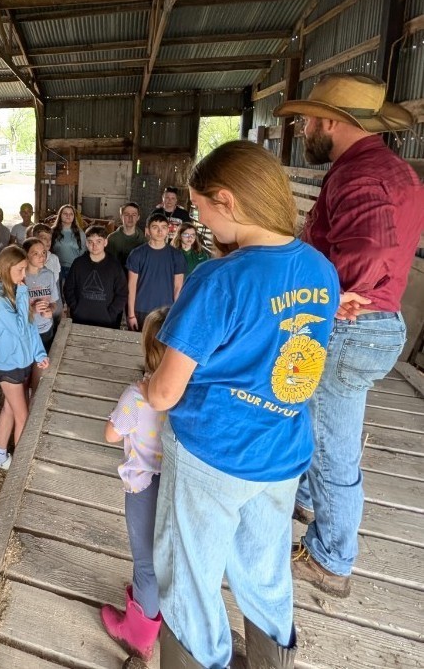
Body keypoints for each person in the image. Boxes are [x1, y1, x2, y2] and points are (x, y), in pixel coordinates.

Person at [141, 140, 339, 669]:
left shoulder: (219, 278)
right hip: (281, 450)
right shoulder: (321, 270)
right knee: (266, 569)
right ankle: (272, 660)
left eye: (201, 206)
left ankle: (201, 658)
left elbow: (165, 390)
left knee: (190, 577)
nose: (199, 219)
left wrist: (142, 389)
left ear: (226, 200)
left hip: (214, 450)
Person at [272, 72, 424, 598]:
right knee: (320, 426)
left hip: (349, 327)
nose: (308, 127)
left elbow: (373, 251)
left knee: (334, 445)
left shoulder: (362, 176)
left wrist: (335, 296)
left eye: (312, 119)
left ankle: (331, 558)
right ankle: (310, 502)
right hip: (367, 324)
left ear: (333, 122)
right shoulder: (389, 169)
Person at [100, 307, 169, 659]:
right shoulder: (187, 388)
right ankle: (159, 609)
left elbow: (111, 433)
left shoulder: (137, 394)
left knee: (146, 562)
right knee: (167, 554)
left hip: (142, 486)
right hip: (175, 484)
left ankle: (139, 636)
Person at [0, 246, 48, 471]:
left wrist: (39, 353)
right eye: (20, 270)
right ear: (6, 268)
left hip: (20, 361)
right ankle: (20, 470)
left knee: (10, 409)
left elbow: (29, 326)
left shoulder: (13, 290)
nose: (24, 276)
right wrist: (23, 295)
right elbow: (20, 329)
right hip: (8, 364)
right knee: (24, 415)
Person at [126, 213, 185, 330]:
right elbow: (131, 286)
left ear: (168, 230)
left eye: (163, 227)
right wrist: (131, 314)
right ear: (147, 230)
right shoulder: (137, 254)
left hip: (166, 310)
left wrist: (176, 313)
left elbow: (178, 287)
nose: (160, 231)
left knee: (161, 347)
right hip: (141, 309)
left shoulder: (176, 255)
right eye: (155, 227)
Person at [64, 225, 127, 328]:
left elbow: (122, 293)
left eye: (98, 241)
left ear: (105, 242)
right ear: (86, 243)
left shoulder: (114, 265)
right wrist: (76, 309)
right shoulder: (78, 263)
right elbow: (68, 289)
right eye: (90, 242)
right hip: (80, 320)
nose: (94, 246)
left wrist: (111, 314)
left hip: (107, 322)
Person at [22, 237, 60, 359]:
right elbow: (12, 310)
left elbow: (54, 302)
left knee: (43, 363)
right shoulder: (20, 277)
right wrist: (32, 310)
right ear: (26, 255)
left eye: (43, 252)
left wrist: (51, 311)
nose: (41, 257)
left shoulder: (49, 274)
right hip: (26, 331)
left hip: (46, 329)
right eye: (36, 253)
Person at [50, 204, 86, 285]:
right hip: (56, 268)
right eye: (65, 213)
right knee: (58, 294)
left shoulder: (80, 233)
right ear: (60, 215)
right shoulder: (52, 231)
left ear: (74, 217)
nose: (68, 216)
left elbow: (83, 252)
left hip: (74, 268)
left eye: (71, 214)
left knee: (71, 293)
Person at [107, 202, 146, 269]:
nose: (130, 218)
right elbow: (108, 264)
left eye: (134, 215)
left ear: (138, 217)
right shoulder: (112, 239)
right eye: (127, 214)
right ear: (121, 216)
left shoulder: (144, 241)